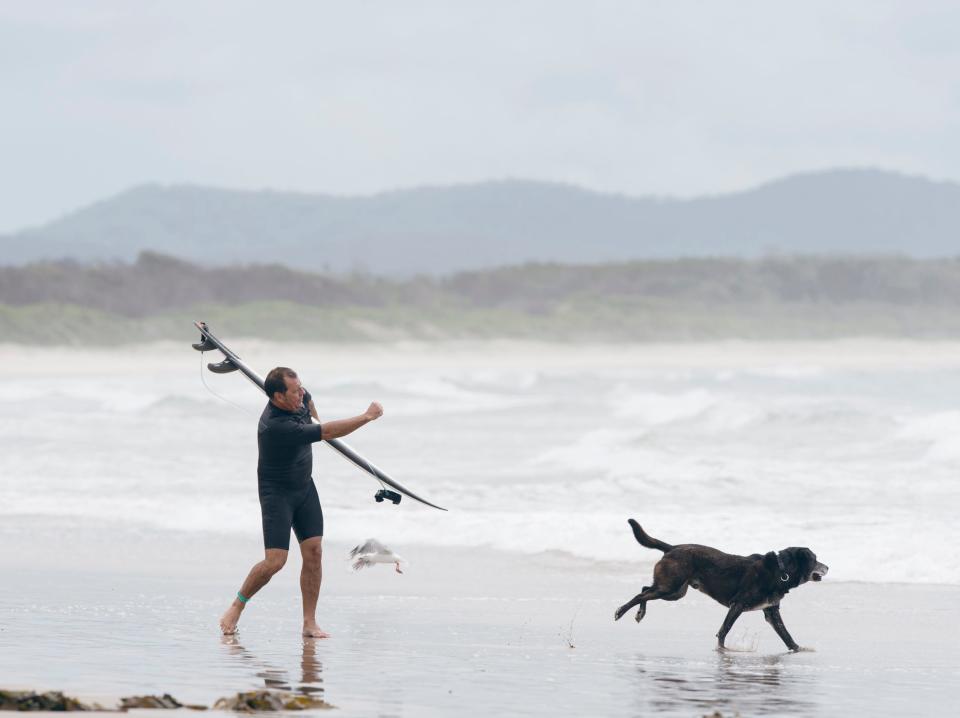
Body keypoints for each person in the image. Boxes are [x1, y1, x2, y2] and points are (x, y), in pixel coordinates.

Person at [219, 366, 383, 637]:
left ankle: (309, 623)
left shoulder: (298, 397)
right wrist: (367, 416)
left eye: (300, 388)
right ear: (278, 397)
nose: (301, 394)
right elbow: (327, 432)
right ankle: (237, 605)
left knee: (314, 551)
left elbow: (309, 402)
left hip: (304, 487)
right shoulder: (277, 425)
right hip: (277, 494)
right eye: (294, 392)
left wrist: (313, 414)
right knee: (275, 562)